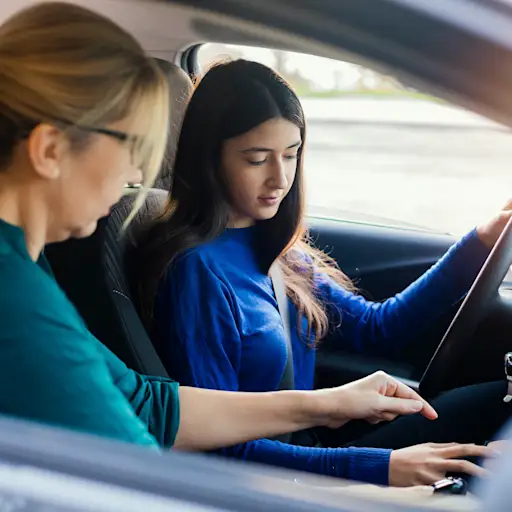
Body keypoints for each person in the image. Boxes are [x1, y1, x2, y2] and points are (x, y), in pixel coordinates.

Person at [0, 3, 438, 459]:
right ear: (50, 150)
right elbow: (139, 473)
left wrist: (327, 405)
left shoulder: (30, 268)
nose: (139, 170)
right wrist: (367, 478)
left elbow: (151, 407)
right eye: (134, 146)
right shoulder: (13, 295)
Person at [133, 59, 509, 486]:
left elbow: (376, 328)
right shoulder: (197, 273)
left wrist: (481, 240)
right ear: (210, 158)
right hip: (282, 477)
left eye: (291, 155)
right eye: (257, 159)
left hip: (312, 452)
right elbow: (216, 449)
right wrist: (377, 467)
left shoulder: (277, 249)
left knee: (497, 399)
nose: (280, 178)